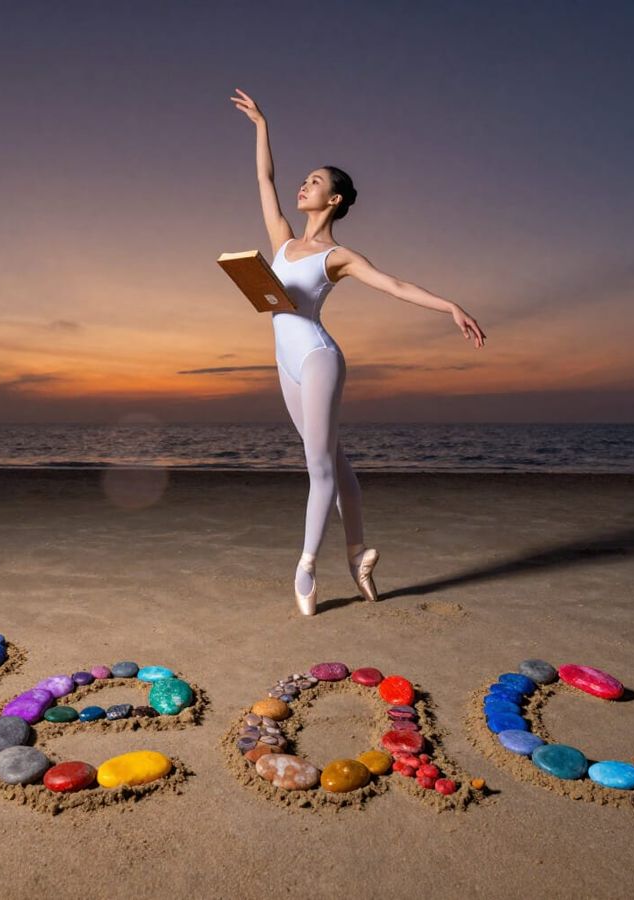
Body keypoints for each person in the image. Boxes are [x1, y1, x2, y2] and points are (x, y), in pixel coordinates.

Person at [231, 88, 486, 616]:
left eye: (316, 182)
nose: (304, 185)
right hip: (283, 362)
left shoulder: (339, 255)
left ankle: (305, 566)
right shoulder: (280, 241)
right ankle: (358, 552)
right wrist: (261, 125)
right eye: (305, 179)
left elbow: (393, 285)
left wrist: (449, 306)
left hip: (317, 358)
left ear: (335, 201)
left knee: (318, 466)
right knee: (334, 458)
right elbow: (265, 180)